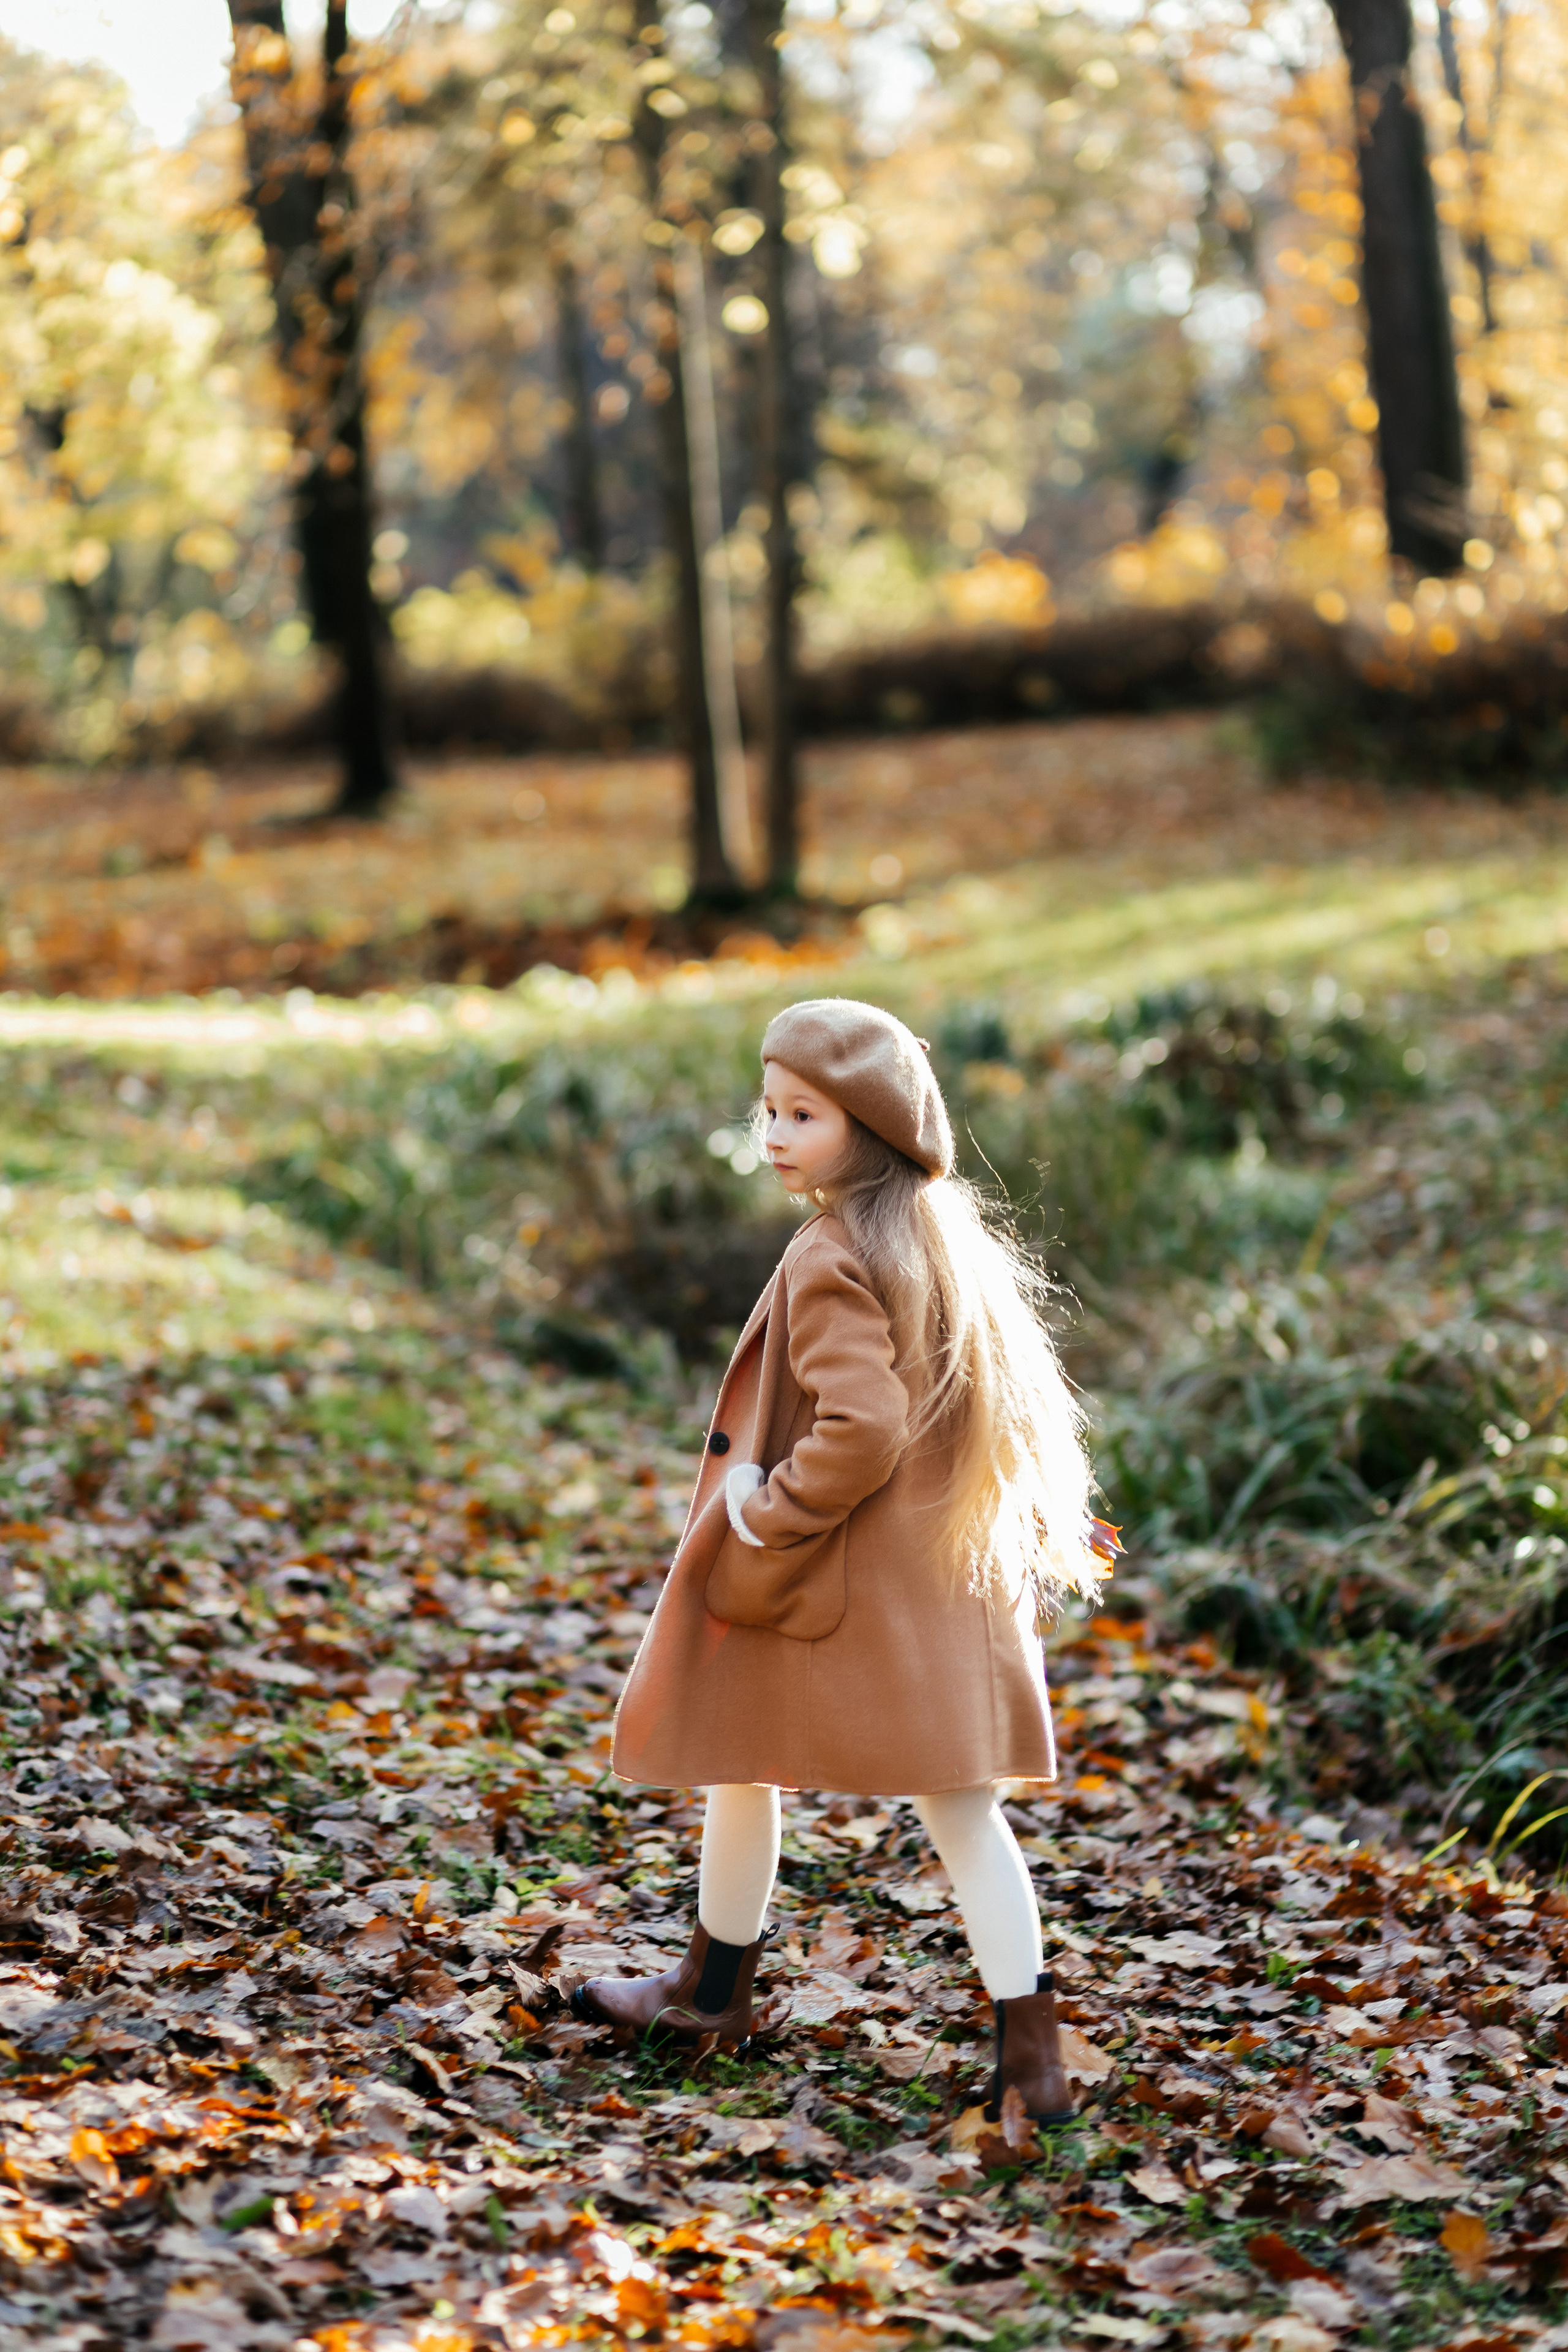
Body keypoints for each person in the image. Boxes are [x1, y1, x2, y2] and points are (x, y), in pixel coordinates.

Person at [573, 998, 1115, 2126]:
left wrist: (766, 1512)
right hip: (930, 1583)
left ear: (866, 1127)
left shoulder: (832, 1254)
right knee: (945, 1807)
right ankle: (1030, 2056)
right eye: (767, 1107)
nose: (770, 1132)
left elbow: (861, 1428)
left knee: (749, 1754)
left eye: (802, 1113)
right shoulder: (934, 1239)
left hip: (832, 1573)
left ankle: (718, 1991)